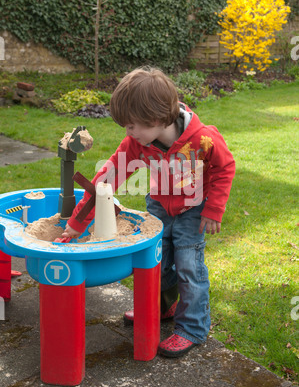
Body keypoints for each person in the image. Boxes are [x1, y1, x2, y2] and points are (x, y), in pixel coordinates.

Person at [62, 66, 235, 358]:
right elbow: (104, 182)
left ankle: (192, 327)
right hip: (158, 205)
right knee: (158, 260)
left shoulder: (203, 140)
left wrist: (214, 210)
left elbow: (225, 167)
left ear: (154, 120)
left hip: (193, 210)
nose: (127, 133)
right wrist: (78, 222)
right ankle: (163, 307)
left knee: (188, 266)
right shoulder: (136, 143)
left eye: (131, 126)